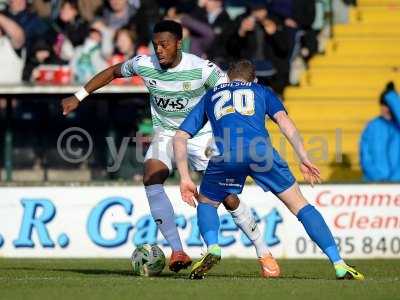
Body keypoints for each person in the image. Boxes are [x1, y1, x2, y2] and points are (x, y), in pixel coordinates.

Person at [61, 20, 270, 274]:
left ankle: (263, 251)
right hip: (166, 134)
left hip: (201, 135)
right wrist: (79, 96)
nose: (158, 50)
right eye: (155, 45)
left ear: (178, 44)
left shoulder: (203, 69)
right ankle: (177, 250)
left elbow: (229, 97)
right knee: (151, 175)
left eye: (164, 44)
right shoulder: (144, 64)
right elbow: (114, 71)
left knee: (227, 196)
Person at [173, 59, 365, 280]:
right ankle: (339, 264)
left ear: (227, 77)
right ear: (253, 79)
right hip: (262, 153)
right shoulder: (261, 90)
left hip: (227, 155)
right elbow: (284, 122)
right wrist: (303, 156)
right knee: (300, 206)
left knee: (207, 203)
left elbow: (180, 136)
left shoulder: (211, 95)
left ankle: (213, 247)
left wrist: (185, 177)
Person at [360, 82, 400, 182]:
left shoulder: (397, 126)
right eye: (384, 105)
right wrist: (377, 178)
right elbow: (365, 156)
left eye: (389, 105)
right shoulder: (372, 126)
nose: (386, 109)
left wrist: (392, 97)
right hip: (375, 184)